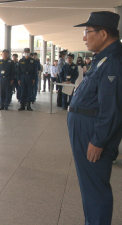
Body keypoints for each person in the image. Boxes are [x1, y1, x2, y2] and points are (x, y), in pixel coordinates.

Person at [68, 11, 122, 225]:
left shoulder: (113, 62)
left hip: (93, 133)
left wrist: (98, 141)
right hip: (85, 128)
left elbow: (112, 109)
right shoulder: (103, 59)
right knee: (89, 187)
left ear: (103, 33)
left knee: (95, 188)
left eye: (87, 32)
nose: (84, 37)